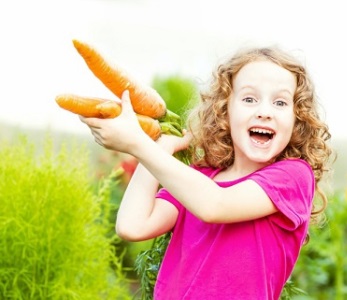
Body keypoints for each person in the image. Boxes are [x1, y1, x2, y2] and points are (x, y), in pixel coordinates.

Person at [80, 46, 333, 300]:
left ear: (297, 118)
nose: (264, 111)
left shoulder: (292, 176)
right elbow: (132, 226)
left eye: (280, 102)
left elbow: (215, 205)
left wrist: (138, 144)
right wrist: (161, 148)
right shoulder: (201, 178)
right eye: (249, 99)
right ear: (225, 111)